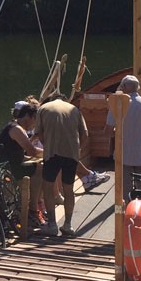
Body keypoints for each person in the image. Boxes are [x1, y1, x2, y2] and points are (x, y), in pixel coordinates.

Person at [35, 94, 88, 236]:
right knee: (68, 188)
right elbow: (85, 134)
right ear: (64, 100)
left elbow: (39, 133)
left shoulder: (43, 108)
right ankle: (68, 224)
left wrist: (48, 146)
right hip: (71, 154)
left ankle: (52, 224)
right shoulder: (74, 109)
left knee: (48, 186)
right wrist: (78, 151)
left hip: (52, 153)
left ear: (52, 99)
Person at [105, 75, 141, 201]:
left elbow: (108, 132)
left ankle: (126, 216)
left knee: (125, 193)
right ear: (138, 88)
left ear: (124, 87)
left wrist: (119, 131)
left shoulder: (117, 105)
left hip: (123, 156)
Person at [0, 100, 44, 226]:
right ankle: (33, 209)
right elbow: (31, 151)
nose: (35, 125)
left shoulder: (15, 126)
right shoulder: (16, 129)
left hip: (8, 165)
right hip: (3, 169)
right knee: (39, 169)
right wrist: (51, 153)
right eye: (35, 120)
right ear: (28, 116)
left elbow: (20, 153)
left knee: (38, 167)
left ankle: (32, 206)